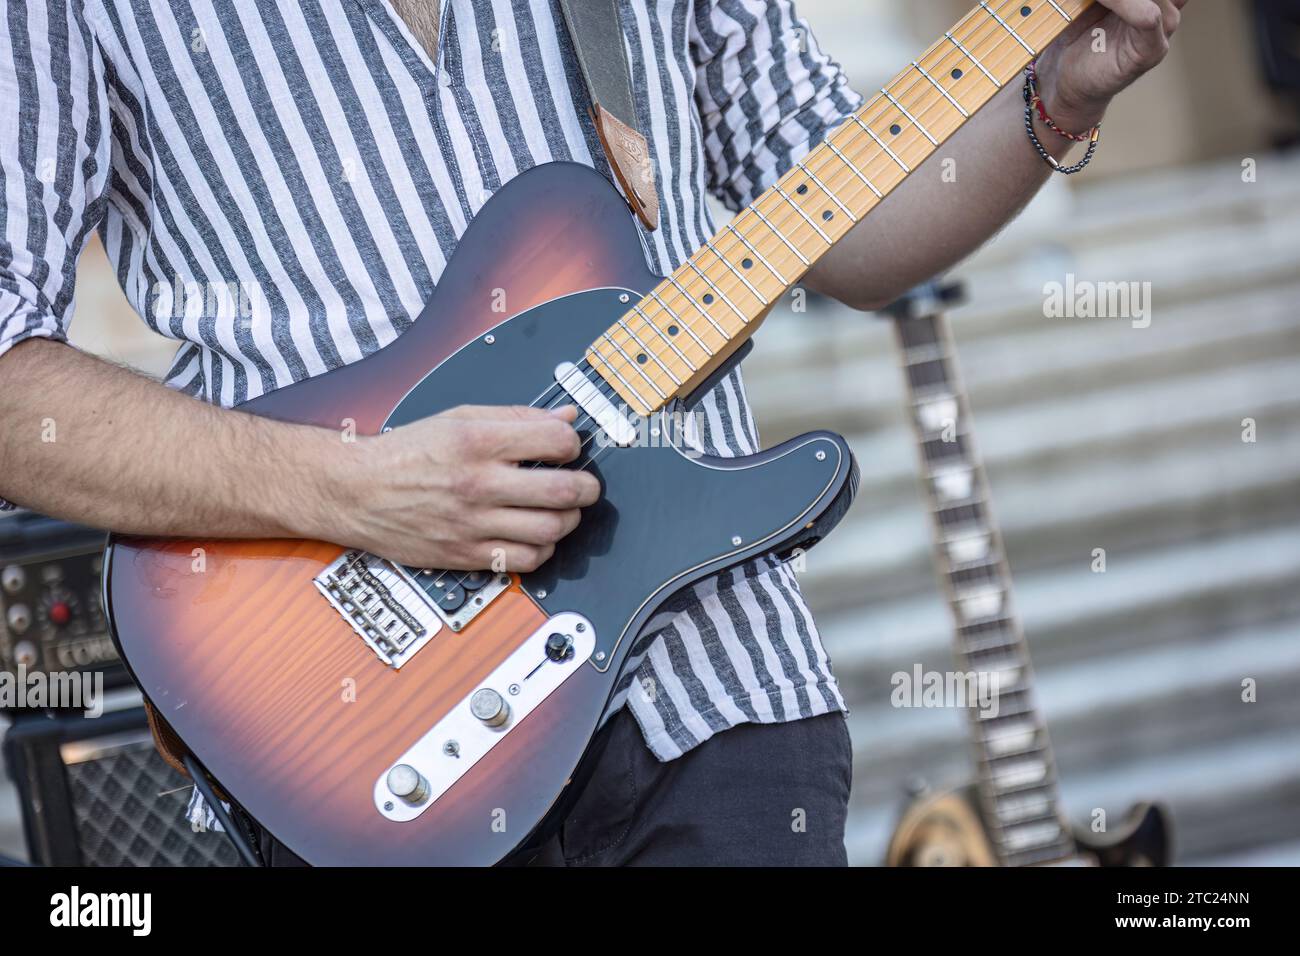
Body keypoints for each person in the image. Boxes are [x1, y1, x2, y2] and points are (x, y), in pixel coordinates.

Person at [0, 0, 1184, 865]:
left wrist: (1052, 96)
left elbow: (847, 221)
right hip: (361, 716)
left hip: (714, 685)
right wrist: (352, 487)